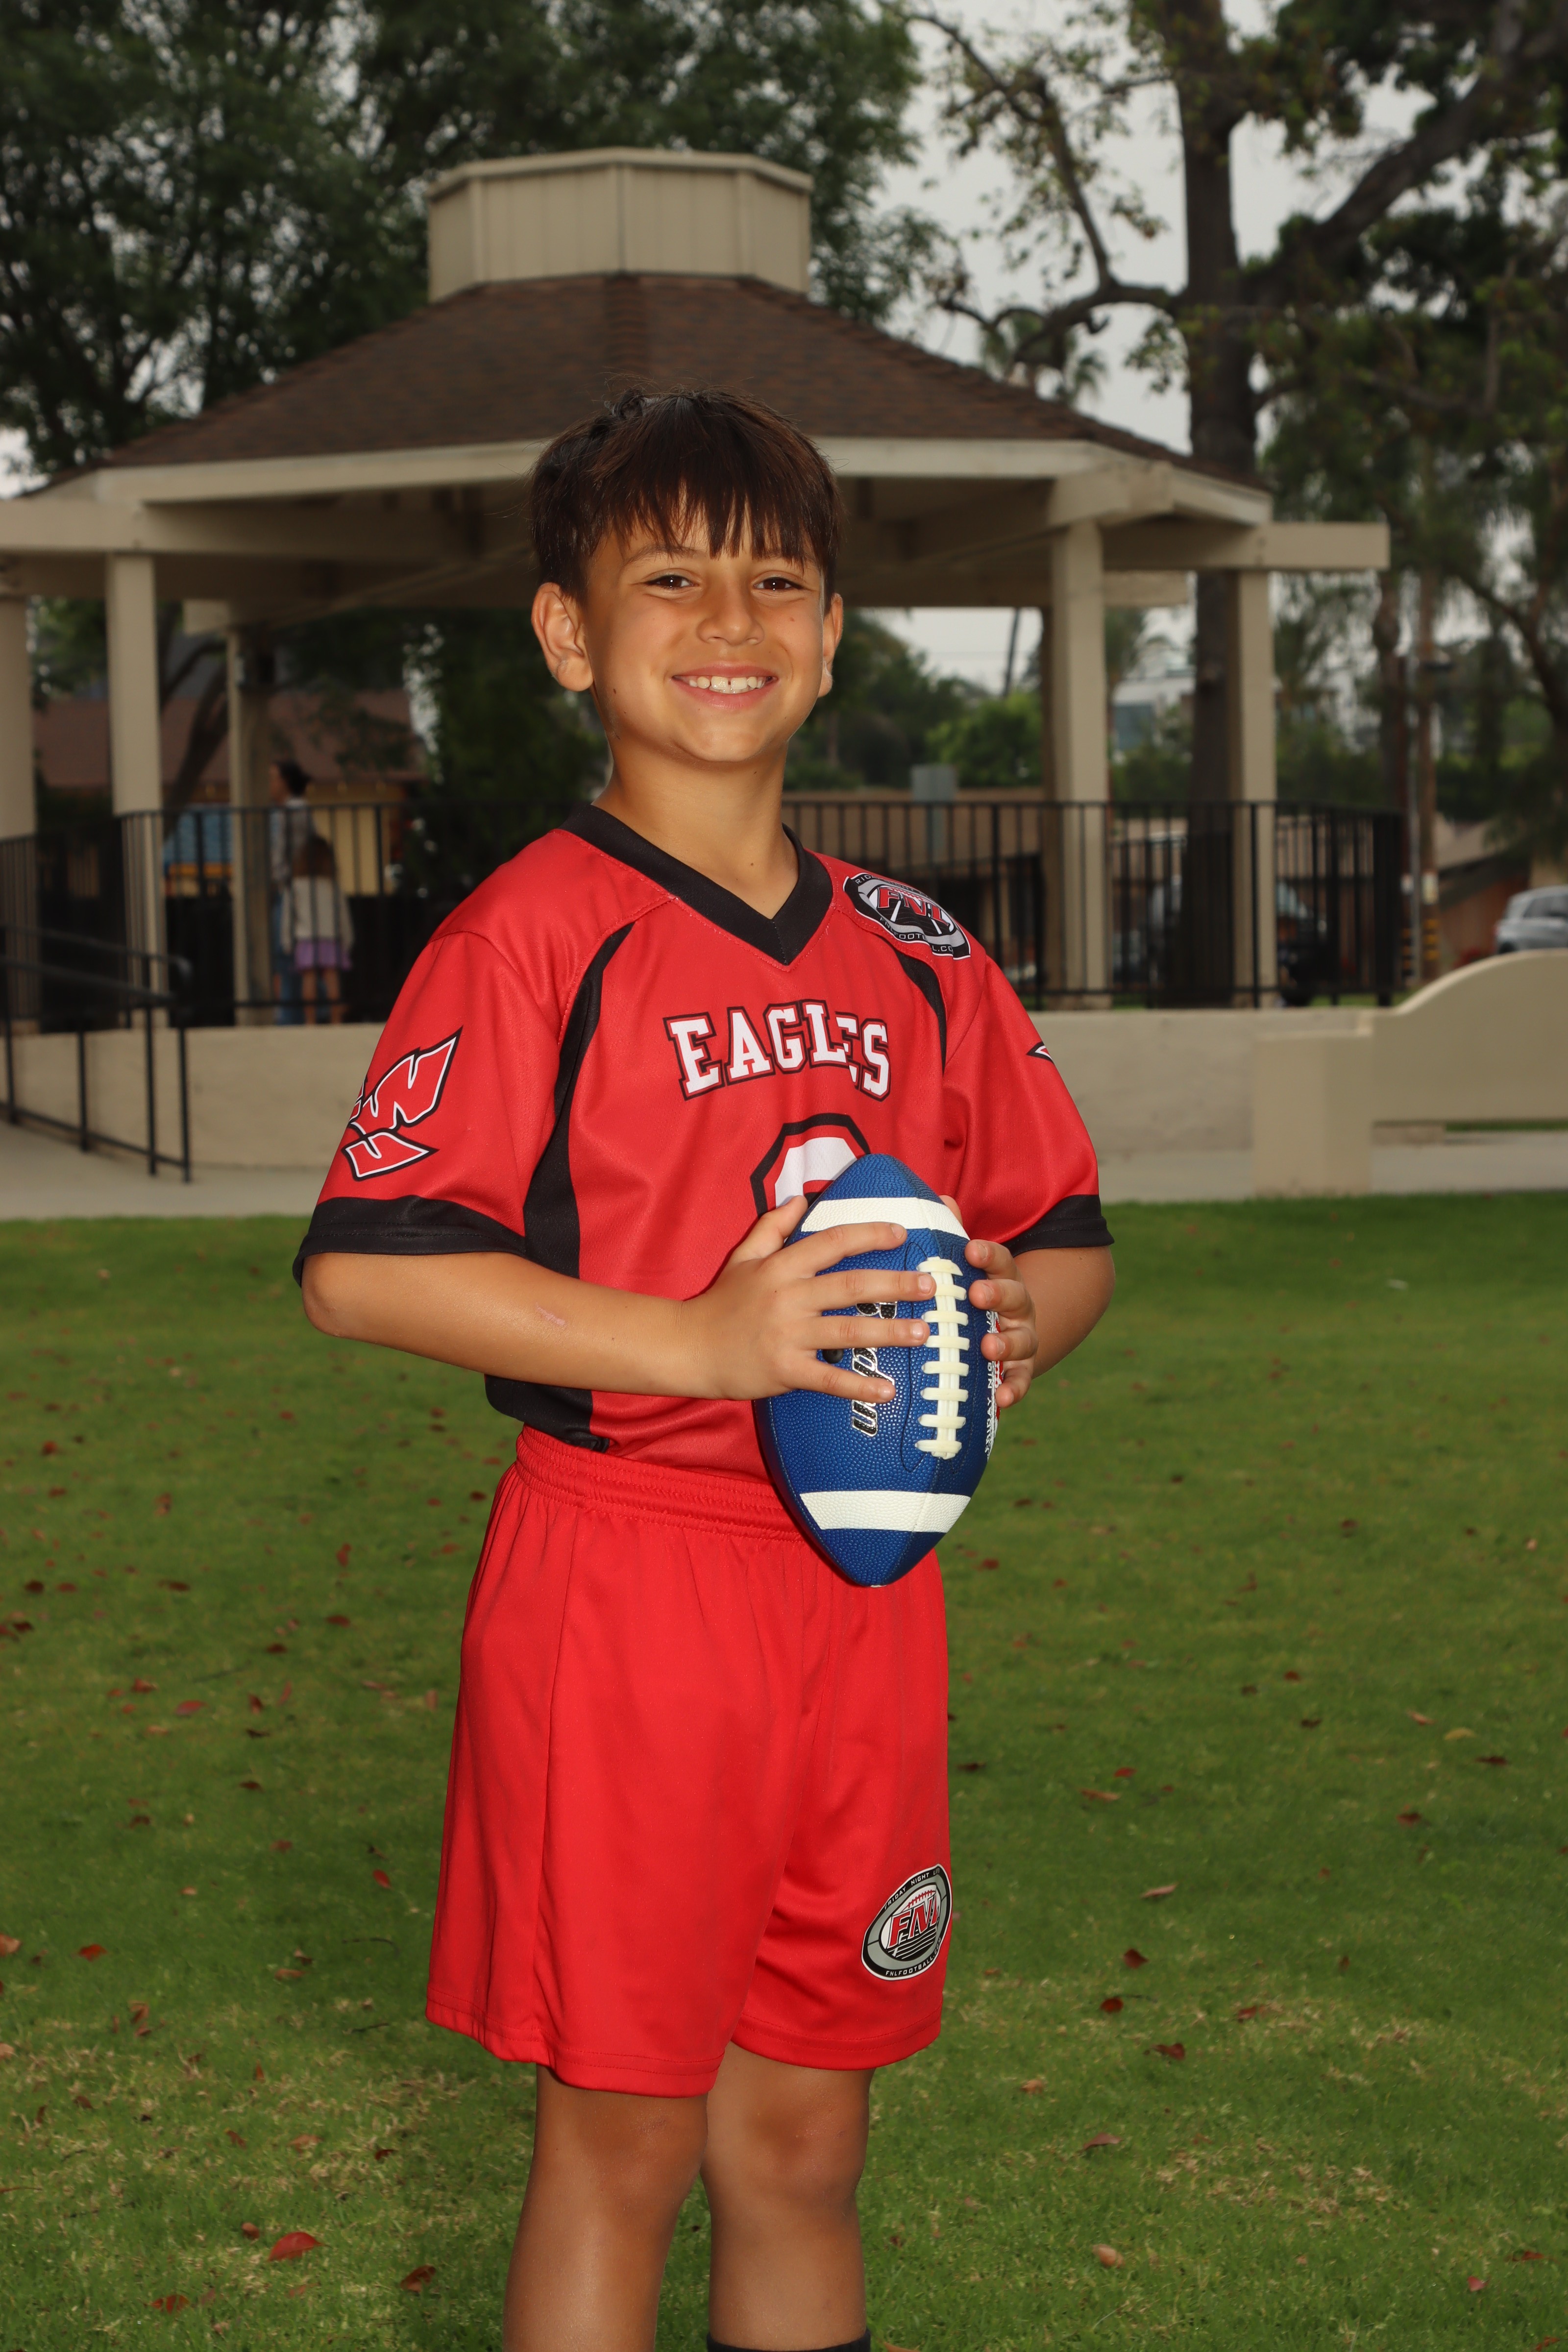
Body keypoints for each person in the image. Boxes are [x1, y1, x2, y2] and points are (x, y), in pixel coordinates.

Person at [294, 387, 1114, 2352]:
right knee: (626, 2145)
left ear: (831, 638)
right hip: (628, 1585)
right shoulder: (530, 934)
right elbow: (362, 1271)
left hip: (865, 1592)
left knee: (803, 2144)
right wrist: (703, 1343)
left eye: (776, 582)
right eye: (667, 578)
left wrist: (1015, 1319)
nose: (729, 619)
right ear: (569, 634)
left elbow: (1063, 1232)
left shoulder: (920, 952)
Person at [281, 832, 354, 1025]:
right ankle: (336, 1019)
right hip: (330, 937)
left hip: (306, 938)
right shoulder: (332, 886)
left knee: (309, 979)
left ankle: (310, 1020)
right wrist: (347, 939)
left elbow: (288, 918)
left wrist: (287, 942)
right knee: (332, 978)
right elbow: (343, 916)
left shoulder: (295, 886)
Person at [267, 758, 314, 1024]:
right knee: (293, 951)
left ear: (285, 782)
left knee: (286, 950)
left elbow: (289, 853)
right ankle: (294, 1011)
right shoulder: (294, 809)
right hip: (293, 887)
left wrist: (279, 877)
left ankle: (289, 1014)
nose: (270, 784)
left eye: (274, 778)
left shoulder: (293, 810)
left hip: (291, 889)